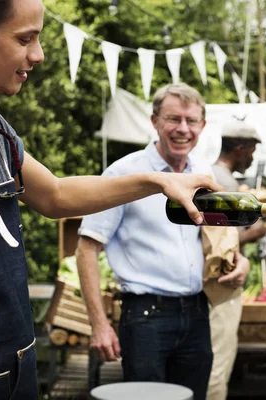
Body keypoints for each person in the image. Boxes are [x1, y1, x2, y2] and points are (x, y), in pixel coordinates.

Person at [0, 2, 221, 399]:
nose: (38, 55)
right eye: (25, 38)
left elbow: (56, 195)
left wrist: (156, 181)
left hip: (11, 365)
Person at [75, 83, 249, 400]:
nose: (183, 129)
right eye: (173, 119)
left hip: (197, 313)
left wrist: (242, 262)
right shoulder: (123, 173)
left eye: (191, 120)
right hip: (145, 318)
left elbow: (221, 239)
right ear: (155, 122)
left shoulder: (202, 174)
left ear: (202, 126)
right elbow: (87, 249)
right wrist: (99, 324)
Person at [207, 119, 265, 400]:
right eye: (252, 150)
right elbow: (225, 242)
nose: (253, 158)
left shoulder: (210, 174)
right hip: (221, 288)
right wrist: (261, 228)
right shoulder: (226, 183)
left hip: (213, 286)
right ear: (240, 148)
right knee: (218, 365)